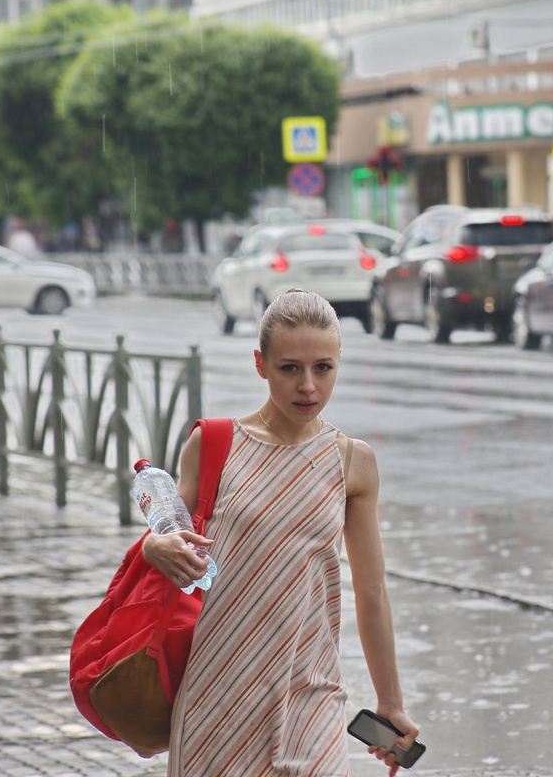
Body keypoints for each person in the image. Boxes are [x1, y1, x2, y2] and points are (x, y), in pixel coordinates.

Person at [142, 288, 419, 776]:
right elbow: (170, 536)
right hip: (217, 695)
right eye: (290, 368)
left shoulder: (352, 462)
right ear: (260, 363)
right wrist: (154, 546)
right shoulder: (214, 445)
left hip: (311, 692)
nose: (308, 386)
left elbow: (371, 589)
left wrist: (390, 700)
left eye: (323, 368)